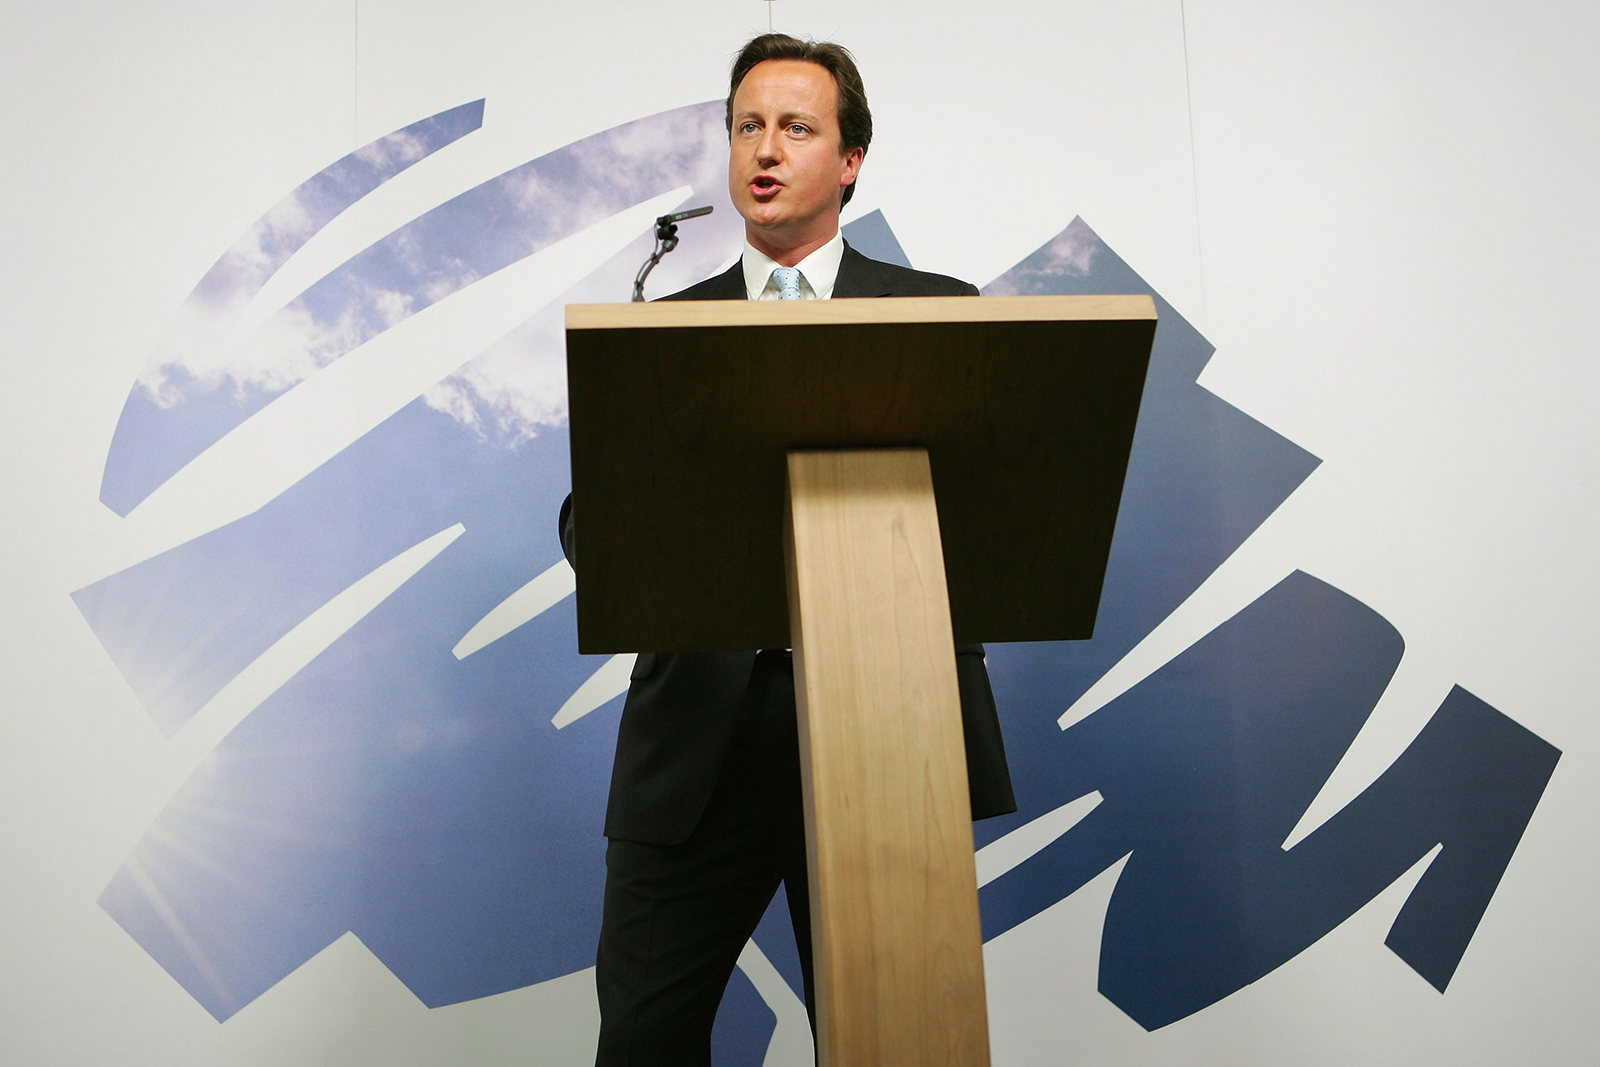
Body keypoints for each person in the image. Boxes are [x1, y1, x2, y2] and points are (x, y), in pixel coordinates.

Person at [559, 33, 1016, 1066]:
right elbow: (589, 521)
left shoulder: (938, 315)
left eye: (796, 128)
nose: (764, 149)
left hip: (886, 732)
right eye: (746, 127)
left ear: (849, 160)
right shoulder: (658, 325)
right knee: (641, 1041)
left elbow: (990, 516)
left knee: (899, 1041)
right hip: (695, 753)